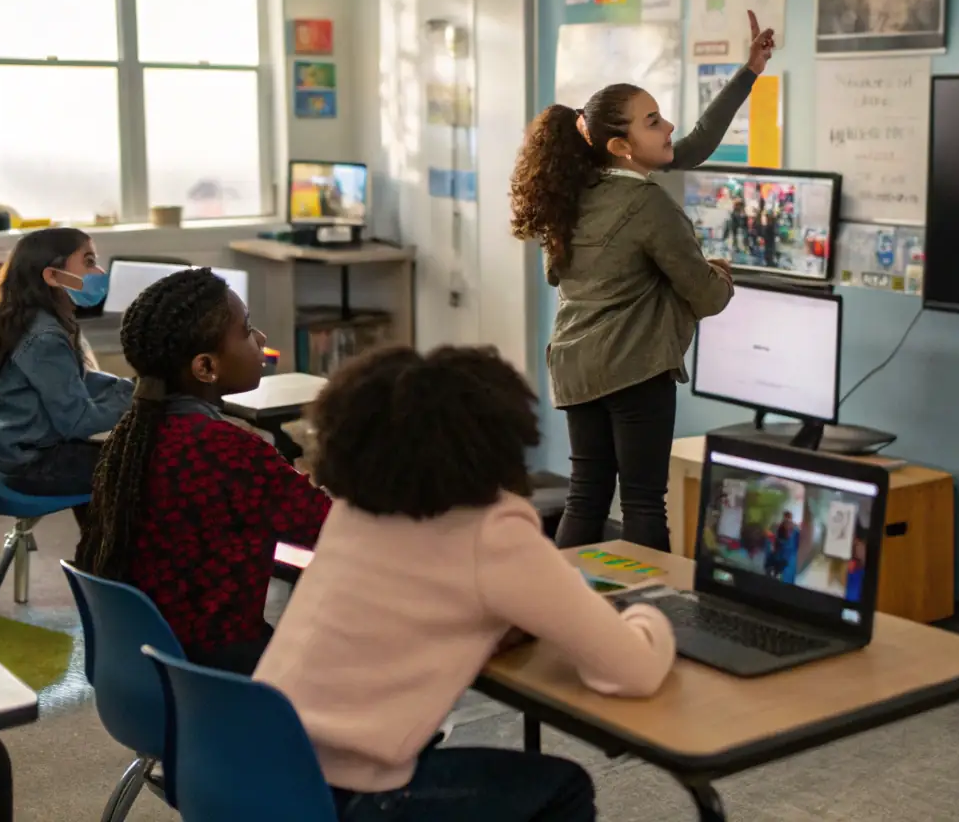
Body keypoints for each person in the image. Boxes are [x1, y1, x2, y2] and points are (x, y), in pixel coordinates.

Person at [254, 344, 676, 822]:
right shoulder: (493, 530)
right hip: (346, 794)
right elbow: (634, 671)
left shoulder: (354, 509)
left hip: (260, 762)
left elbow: (416, 607)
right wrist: (649, 611)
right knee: (565, 787)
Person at [511, 11, 776, 553]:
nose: (668, 126)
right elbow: (706, 296)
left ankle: (564, 600)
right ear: (620, 146)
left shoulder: (572, 193)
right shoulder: (647, 203)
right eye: (652, 121)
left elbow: (694, 144)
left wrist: (750, 71)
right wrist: (721, 274)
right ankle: (651, 605)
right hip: (634, 368)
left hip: (575, 363)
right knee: (642, 502)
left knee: (586, 495)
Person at [75, 268, 329, 675]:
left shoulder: (130, 437)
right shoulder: (227, 450)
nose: (261, 338)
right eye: (246, 330)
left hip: (144, 666)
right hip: (219, 673)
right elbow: (330, 529)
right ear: (206, 367)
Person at [0, 228, 131, 508]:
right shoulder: (45, 337)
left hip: (8, 453)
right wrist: (137, 401)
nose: (99, 271)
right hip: (29, 464)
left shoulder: (30, 319)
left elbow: (75, 379)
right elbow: (79, 422)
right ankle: (106, 537)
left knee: (119, 456)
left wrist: (128, 388)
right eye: (88, 262)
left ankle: (99, 534)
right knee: (143, 464)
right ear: (52, 275)